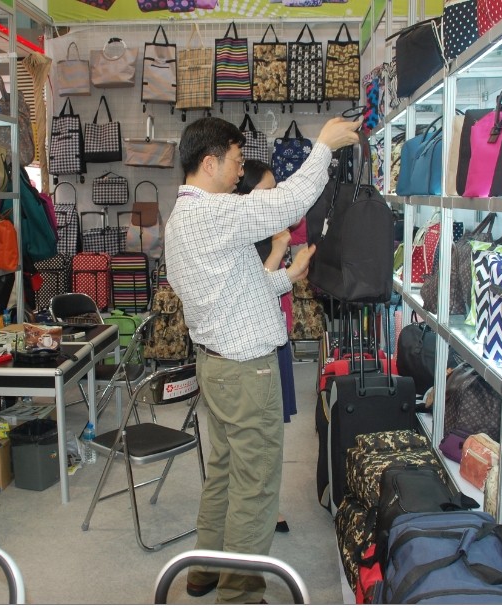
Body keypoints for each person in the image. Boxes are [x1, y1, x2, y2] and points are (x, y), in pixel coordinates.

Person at [165, 116, 361, 603]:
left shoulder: (181, 218)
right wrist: (323, 146)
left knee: (225, 473)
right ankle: (239, 595)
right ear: (209, 163)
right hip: (246, 373)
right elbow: (290, 202)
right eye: (235, 161)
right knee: (255, 486)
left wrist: (285, 278)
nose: (240, 171)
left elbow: (231, 290)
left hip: (217, 367)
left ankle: (205, 569)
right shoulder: (217, 213)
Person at [235, 160, 303, 534]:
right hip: (256, 342)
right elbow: (252, 292)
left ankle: (265, 501)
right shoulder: (245, 236)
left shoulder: (267, 226)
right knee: (259, 430)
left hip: (275, 334)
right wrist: (278, 250)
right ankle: (260, 507)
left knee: (271, 427)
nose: (273, 197)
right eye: (267, 190)